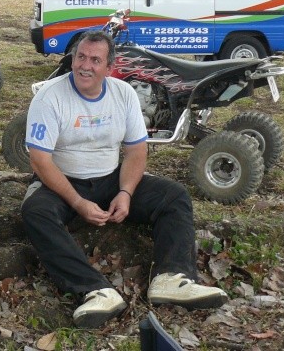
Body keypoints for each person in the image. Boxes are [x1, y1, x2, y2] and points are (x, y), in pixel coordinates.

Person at [20, 30, 228, 329]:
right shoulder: (49, 96)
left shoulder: (123, 94)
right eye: (80, 57)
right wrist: (78, 202)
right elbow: (40, 160)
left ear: (109, 66)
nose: (85, 66)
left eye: (95, 60)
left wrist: (126, 192)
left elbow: (136, 150)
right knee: (35, 212)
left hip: (110, 177)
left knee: (174, 195)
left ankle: (171, 279)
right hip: (63, 181)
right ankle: (94, 290)